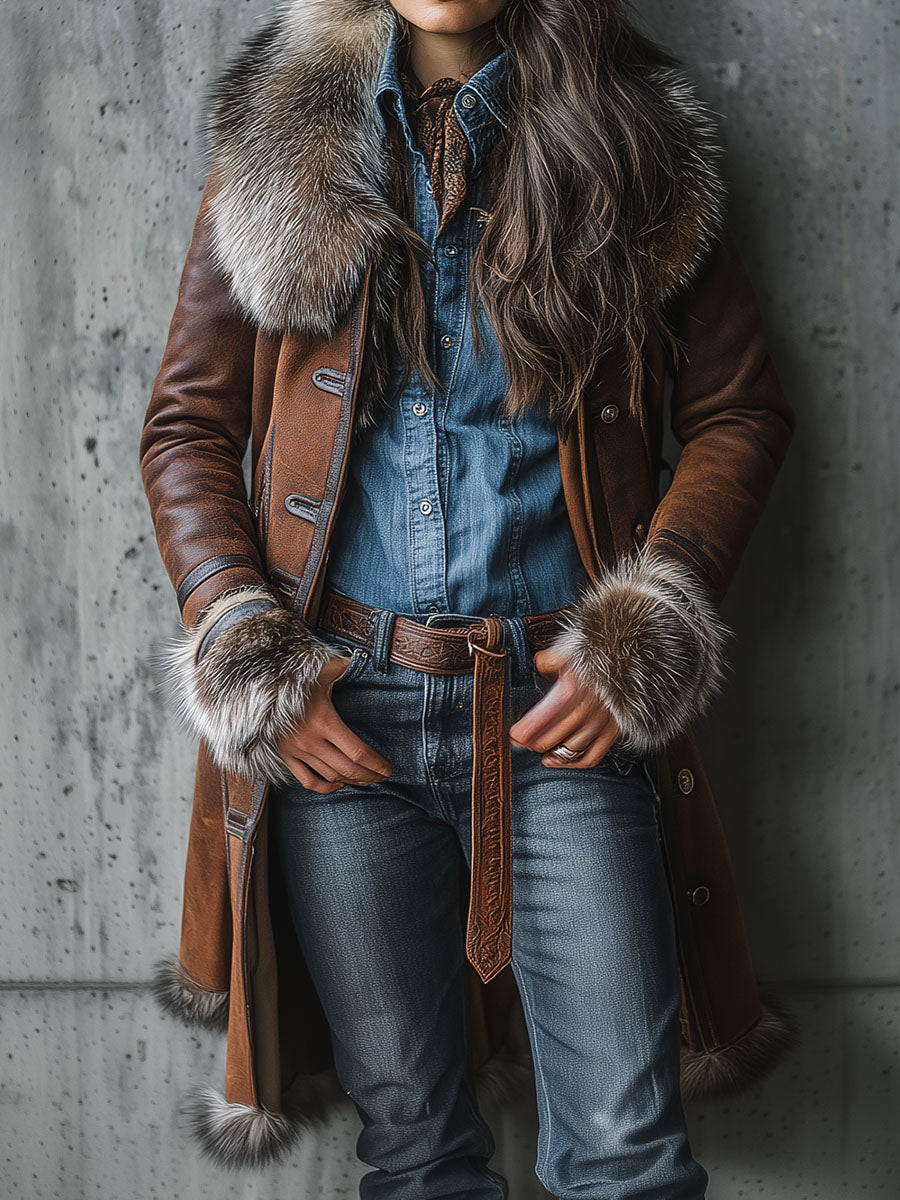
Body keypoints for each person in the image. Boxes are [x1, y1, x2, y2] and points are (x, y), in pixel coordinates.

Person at [139, 1, 797, 1197]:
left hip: (562, 725)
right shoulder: (284, 135)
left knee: (631, 1162)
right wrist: (243, 638)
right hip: (347, 733)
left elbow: (739, 413)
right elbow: (188, 428)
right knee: (417, 1155)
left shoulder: (632, 130)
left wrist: (643, 633)